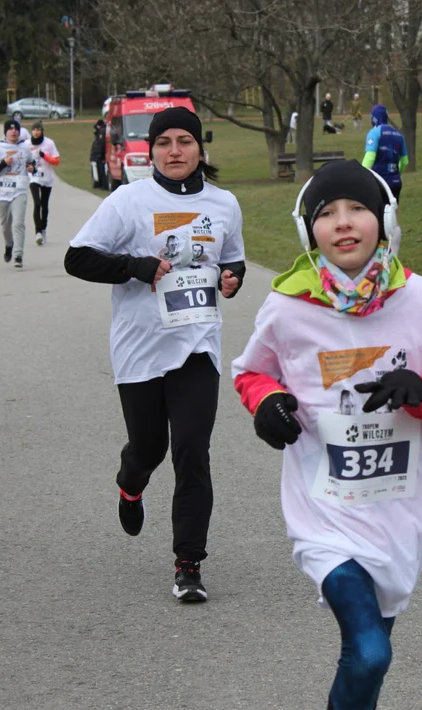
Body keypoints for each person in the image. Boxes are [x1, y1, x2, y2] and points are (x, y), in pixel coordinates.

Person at [231, 159, 422, 710]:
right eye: (326, 213)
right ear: (308, 230)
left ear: (385, 220)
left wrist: (420, 390)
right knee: (370, 653)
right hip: (323, 512)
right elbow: (251, 372)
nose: (343, 223)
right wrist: (267, 403)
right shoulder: (288, 305)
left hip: (398, 515)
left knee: (368, 655)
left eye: (358, 209)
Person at [64, 106, 247, 603]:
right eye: (164, 142)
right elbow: (76, 257)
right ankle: (130, 481)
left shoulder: (224, 203)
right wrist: (133, 266)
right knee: (150, 449)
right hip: (140, 349)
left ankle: (189, 564)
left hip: (196, 346)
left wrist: (232, 279)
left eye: (184, 141)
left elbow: (231, 260)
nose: (174, 151)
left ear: (200, 147)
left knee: (192, 452)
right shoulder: (129, 200)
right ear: (150, 150)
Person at [0, 119, 36, 268]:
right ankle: (9, 245)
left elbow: (32, 163)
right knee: (6, 226)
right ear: (5, 132)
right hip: (2, 192)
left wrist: (32, 168)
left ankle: (18, 255)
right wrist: (3, 163)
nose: (14, 132)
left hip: (19, 191)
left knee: (18, 223)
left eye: (16, 130)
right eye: (10, 130)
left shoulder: (24, 148)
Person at [363, 104, 409, 203]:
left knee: (379, 214)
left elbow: (370, 157)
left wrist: (361, 174)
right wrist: (396, 173)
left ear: (374, 118)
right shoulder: (399, 134)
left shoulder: (374, 133)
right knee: (393, 213)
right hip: (395, 182)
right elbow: (405, 161)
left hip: (379, 182)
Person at [27, 120, 60, 245]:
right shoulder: (27, 144)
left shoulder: (49, 143)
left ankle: (43, 228)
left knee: (45, 204)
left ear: (42, 131)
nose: (36, 132)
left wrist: (44, 155)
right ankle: (37, 232)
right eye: (34, 130)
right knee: (37, 203)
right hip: (34, 177)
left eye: (38, 130)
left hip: (47, 177)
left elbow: (56, 161)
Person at [90, 119, 108, 189]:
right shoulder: (103, 131)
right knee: (100, 170)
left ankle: (103, 185)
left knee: (102, 171)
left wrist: (100, 155)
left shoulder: (101, 132)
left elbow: (100, 145)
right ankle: (101, 184)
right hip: (101, 155)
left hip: (100, 156)